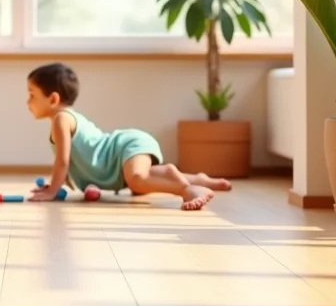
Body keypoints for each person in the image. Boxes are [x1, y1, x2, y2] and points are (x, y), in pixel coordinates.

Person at [25, 62, 231, 210]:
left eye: (32, 95)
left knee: (138, 180)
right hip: (120, 161)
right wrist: (53, 186)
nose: (28, 102)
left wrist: (53, 190)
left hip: (125, 147)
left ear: (53, 99)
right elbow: (73, 162)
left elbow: (62, 161)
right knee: (141, 184)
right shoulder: (65, 119)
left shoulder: (62, 119)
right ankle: (200, 180)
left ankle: (187, 190)